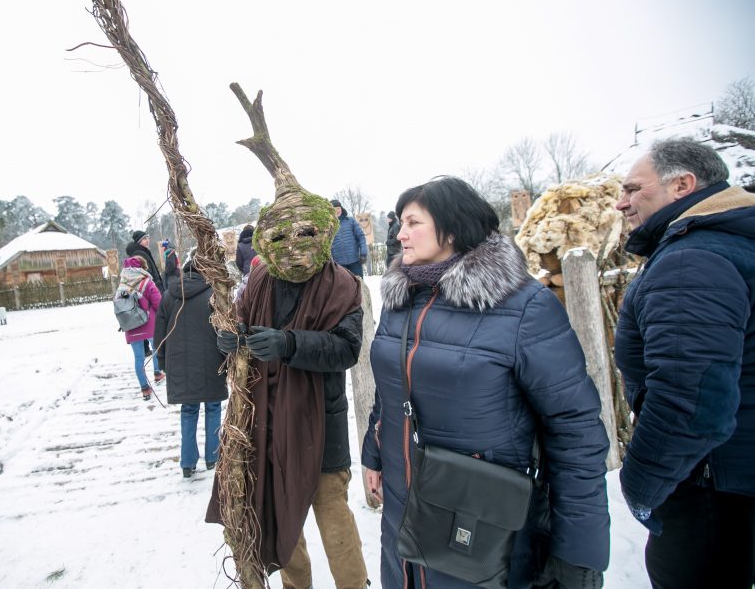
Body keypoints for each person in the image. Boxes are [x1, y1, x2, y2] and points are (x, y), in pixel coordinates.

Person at [361, 176, 610, 588]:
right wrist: (374, 453)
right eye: (400, 223)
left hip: (480, 519)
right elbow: (392, 391)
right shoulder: (403, 299)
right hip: (403, 510)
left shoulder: (523, 306)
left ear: (454, 227)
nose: (400, 234)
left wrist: (579, 552)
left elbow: (575, 429)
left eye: (413, 222)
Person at [613, 137, 755, 589]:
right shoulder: (731, 243)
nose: (621, 203)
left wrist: (640, 485)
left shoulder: (692, 259)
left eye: (633, 189)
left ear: (683, 185)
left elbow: (689, 401)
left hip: (711, 488)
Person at [210, 200, 370, 589]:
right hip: (266, 420)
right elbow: (241, 323)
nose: (293, 244)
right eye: (280, 236)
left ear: (323, 233)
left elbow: (347, 349)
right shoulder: (260, 281)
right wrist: (229, 338)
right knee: (281, 518)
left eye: (305, 234)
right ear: (266, 241)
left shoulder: (344, 285)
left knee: (333, 515)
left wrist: (290, 343)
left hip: (321, 423)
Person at [154, 258, 228, 478]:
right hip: (211, 361)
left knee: (188, 411)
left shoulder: (168, 296)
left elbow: (159, 334)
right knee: (213, 407)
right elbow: (224, 331)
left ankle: (187, 463)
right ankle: (213, 457)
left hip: (179, 363)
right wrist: (228, 358)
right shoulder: (213, 295)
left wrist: (161, 361)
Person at [118, 255, 164, 400]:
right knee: (156, 349)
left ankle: (145, 388)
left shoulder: (122, 285)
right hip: (149, 323)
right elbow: (158, 303)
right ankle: (157, 373)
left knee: (138, 358)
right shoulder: (147, 283)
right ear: (142, 267)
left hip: (131, 325)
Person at [329, 199, 368, 277]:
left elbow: (361, 237)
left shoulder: (351, 221)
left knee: (359, 285)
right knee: (344, 288)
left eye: (338, 208)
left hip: (355, 261)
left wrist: (363, 253)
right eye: (334, 209)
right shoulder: (329, 225)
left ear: (341, 208)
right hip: (339, 264)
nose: (337, 211)